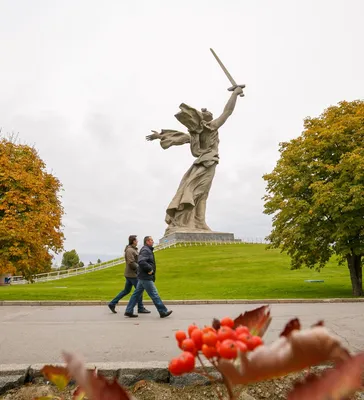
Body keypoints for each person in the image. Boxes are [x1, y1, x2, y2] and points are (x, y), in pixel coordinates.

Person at [146, 86, 243, 235]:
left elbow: (179, 138)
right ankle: (191, 221)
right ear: (203, 119)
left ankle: (199, 222)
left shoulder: (194, 134)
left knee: (201, 193)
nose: (208, 112)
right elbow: (227, 112)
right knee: (199, 193)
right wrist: (235, 94)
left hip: (202, 163)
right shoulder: (211, 127)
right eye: (205, 113)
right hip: (208, 162)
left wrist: (160, 136)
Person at [124, 236, 172, 318]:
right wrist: (149, 269)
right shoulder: (146, 250)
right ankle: (163, 311)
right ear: (147, 241)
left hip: (142, 276)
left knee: (136, 294)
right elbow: (141, 261)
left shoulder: (147, 249)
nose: (153, 241)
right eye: (151, 240)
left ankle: (128, 310)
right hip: (145, 276)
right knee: (154, 294)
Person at [108, 235, 150, 314]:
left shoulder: (132, 249)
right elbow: (131, 262)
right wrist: (139, 270)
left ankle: (112, 303)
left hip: (129, 274)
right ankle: (140, 308)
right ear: (133, 241)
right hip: (133, 275)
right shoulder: (130, 250)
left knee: (126, 290)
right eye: (136, 240)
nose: (137, 241)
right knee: (139, 291)